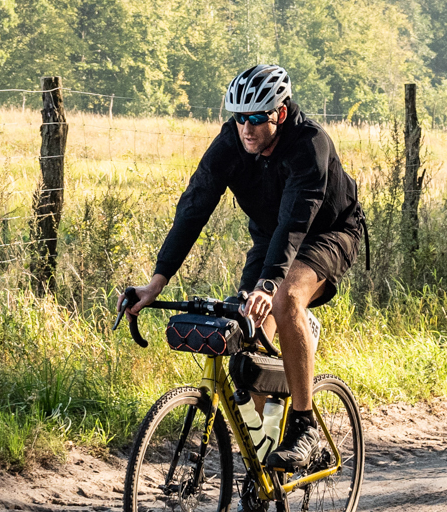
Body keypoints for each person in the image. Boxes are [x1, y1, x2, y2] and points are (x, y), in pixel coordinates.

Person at [125, 64, 366, 472]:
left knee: (285, 297)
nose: (246, 128)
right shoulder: (231, 143)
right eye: (239, 117)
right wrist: (156, 282)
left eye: (256, 117)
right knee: (247, 347)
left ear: (281, 114)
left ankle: (304, 424)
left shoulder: (310, 144)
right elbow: (194, 207)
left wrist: (268, 286)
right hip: (270, 238)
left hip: (328, 233)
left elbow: (295, 223)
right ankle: (266, 459)